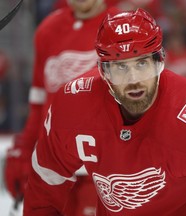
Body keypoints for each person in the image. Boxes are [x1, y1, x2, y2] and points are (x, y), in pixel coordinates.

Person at [23, 8, 186, 215]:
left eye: (142, 63)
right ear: (103, 72)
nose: (133, 79)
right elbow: (44, 185)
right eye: (120, 67)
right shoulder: (73, 105)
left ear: (159, 62)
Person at [4, 0, 118, 215]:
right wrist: (24, 149)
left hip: (103, 171)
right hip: (54, 166)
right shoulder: (48, 29)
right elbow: (39, 103)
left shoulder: (123, 26)